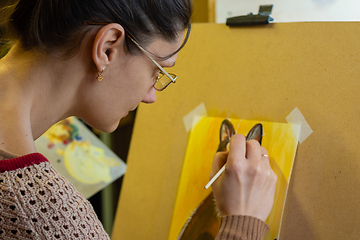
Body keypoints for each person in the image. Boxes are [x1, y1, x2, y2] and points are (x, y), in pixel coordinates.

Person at [0, 0, 277, 239]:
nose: (150, 96)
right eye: (158, 71)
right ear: (108, 48)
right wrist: (243, 222)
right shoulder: (40, 211)